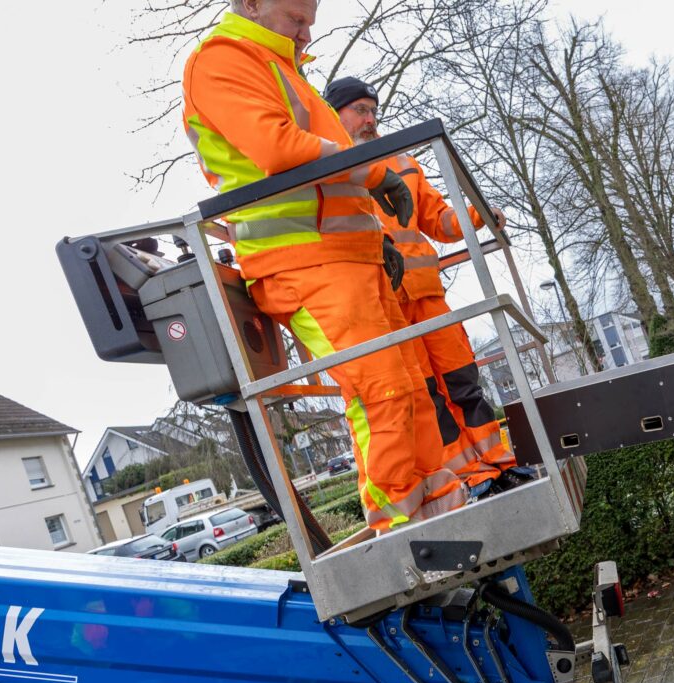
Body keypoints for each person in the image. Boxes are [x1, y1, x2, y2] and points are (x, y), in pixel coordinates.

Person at [181, 0, 469, 531]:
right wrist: (374, 174)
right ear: (251, 5)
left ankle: (441, 513)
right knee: (380, 388)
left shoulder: (281, 67)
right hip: (303, 264)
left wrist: (372, 231)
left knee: (406, 384)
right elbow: (278, 147)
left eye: (310, 19)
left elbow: (322, 165)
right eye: (296, 18)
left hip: (346, 261)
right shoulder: (221, 59)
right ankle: (404, 533)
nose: (306, 32)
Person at [323, 77, 535, 497]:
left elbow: (436, 218)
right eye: (360, 110)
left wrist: (476, 216)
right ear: (335, 113)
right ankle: (466, 478)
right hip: (383, 308)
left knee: (463, 381)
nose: (370, 119)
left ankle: (497, 464)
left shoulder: (399, 162)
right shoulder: (325, 170)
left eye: (373, 110)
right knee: (428, 398)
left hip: (426, 296)